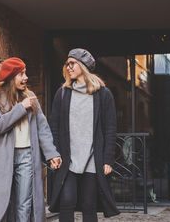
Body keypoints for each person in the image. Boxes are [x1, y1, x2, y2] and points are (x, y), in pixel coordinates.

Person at [48, 48, 120, 221]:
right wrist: (54, 153)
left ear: (83, 65)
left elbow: (110, 129)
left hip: (92, 160)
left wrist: (108, 159)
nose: (69, 67)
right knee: (67, 200)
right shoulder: (63, 93)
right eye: (67, 64)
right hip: (68, 159)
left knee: (89, 204)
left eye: (72, 63)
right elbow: (54, 127)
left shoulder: (103, 94)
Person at [0, 57, 62, 222]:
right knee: (4, 203)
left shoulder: (31, 97)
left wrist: (52, 154)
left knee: (24, 203)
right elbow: (0, 125)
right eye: (21, 74)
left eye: (25, 73)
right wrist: (21, 108)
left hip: (28, 156)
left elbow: (43, 128)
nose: (25, 77)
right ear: (10, 77)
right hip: (4, 157)